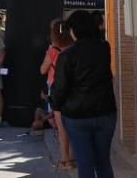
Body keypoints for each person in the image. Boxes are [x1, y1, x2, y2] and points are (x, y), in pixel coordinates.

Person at [51, 10, 117, 178]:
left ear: (74, 30)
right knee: (103, 161)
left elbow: (60, 87)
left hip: (77, 115)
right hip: (105, 111)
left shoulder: (66, 55)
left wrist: (57, 106)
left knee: (85, 163)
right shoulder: (104, 48)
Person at [41, 18, 75, 170]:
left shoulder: (53, 50)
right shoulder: (74, 48)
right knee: (73, 125)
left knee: (61, 128)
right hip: (73, 89)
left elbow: (42, 69)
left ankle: (65, 159)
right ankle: (73, 158)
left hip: (56, 88)